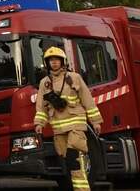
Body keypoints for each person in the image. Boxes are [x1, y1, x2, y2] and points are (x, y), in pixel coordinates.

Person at [34, 47, 102, 191]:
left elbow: (87, 99)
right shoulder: (44, 83)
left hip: (76, 123)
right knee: (68, 163)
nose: (54, 63)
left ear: (62, 61)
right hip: (58, 127)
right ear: (46, 63)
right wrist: (39, 123)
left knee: (74, 158)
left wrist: (95, 121)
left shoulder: (74, 77)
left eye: (57, 60)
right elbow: (41, 107)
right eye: (51, 60)